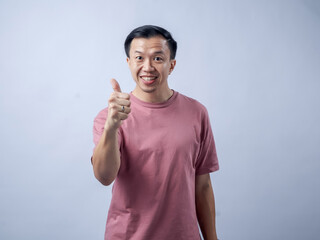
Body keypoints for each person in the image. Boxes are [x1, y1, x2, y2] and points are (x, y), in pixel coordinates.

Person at [91, 25, 219, 240]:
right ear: (129, 63)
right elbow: (104, 177)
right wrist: (112, 127)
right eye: (139, 58)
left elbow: (203, 184)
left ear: (171, 65)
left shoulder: (197, 113)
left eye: (158, 59)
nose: (147, 67)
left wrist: (212, 238)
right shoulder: (109, 117)